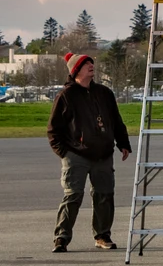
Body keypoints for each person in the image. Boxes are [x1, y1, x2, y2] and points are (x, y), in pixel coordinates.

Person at [46, 54, 131, 252]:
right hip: (76, 155)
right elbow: (53, 129)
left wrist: (123, 143)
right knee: (73, 196)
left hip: (103, 154)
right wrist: (64, 153)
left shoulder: (104, 93)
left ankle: (102, 236)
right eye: (86, 64)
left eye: (91, 63)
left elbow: (116, 121)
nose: (91, 66)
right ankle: (61, 238)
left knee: (104, 195)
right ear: (76, 69)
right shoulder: (66, 96)